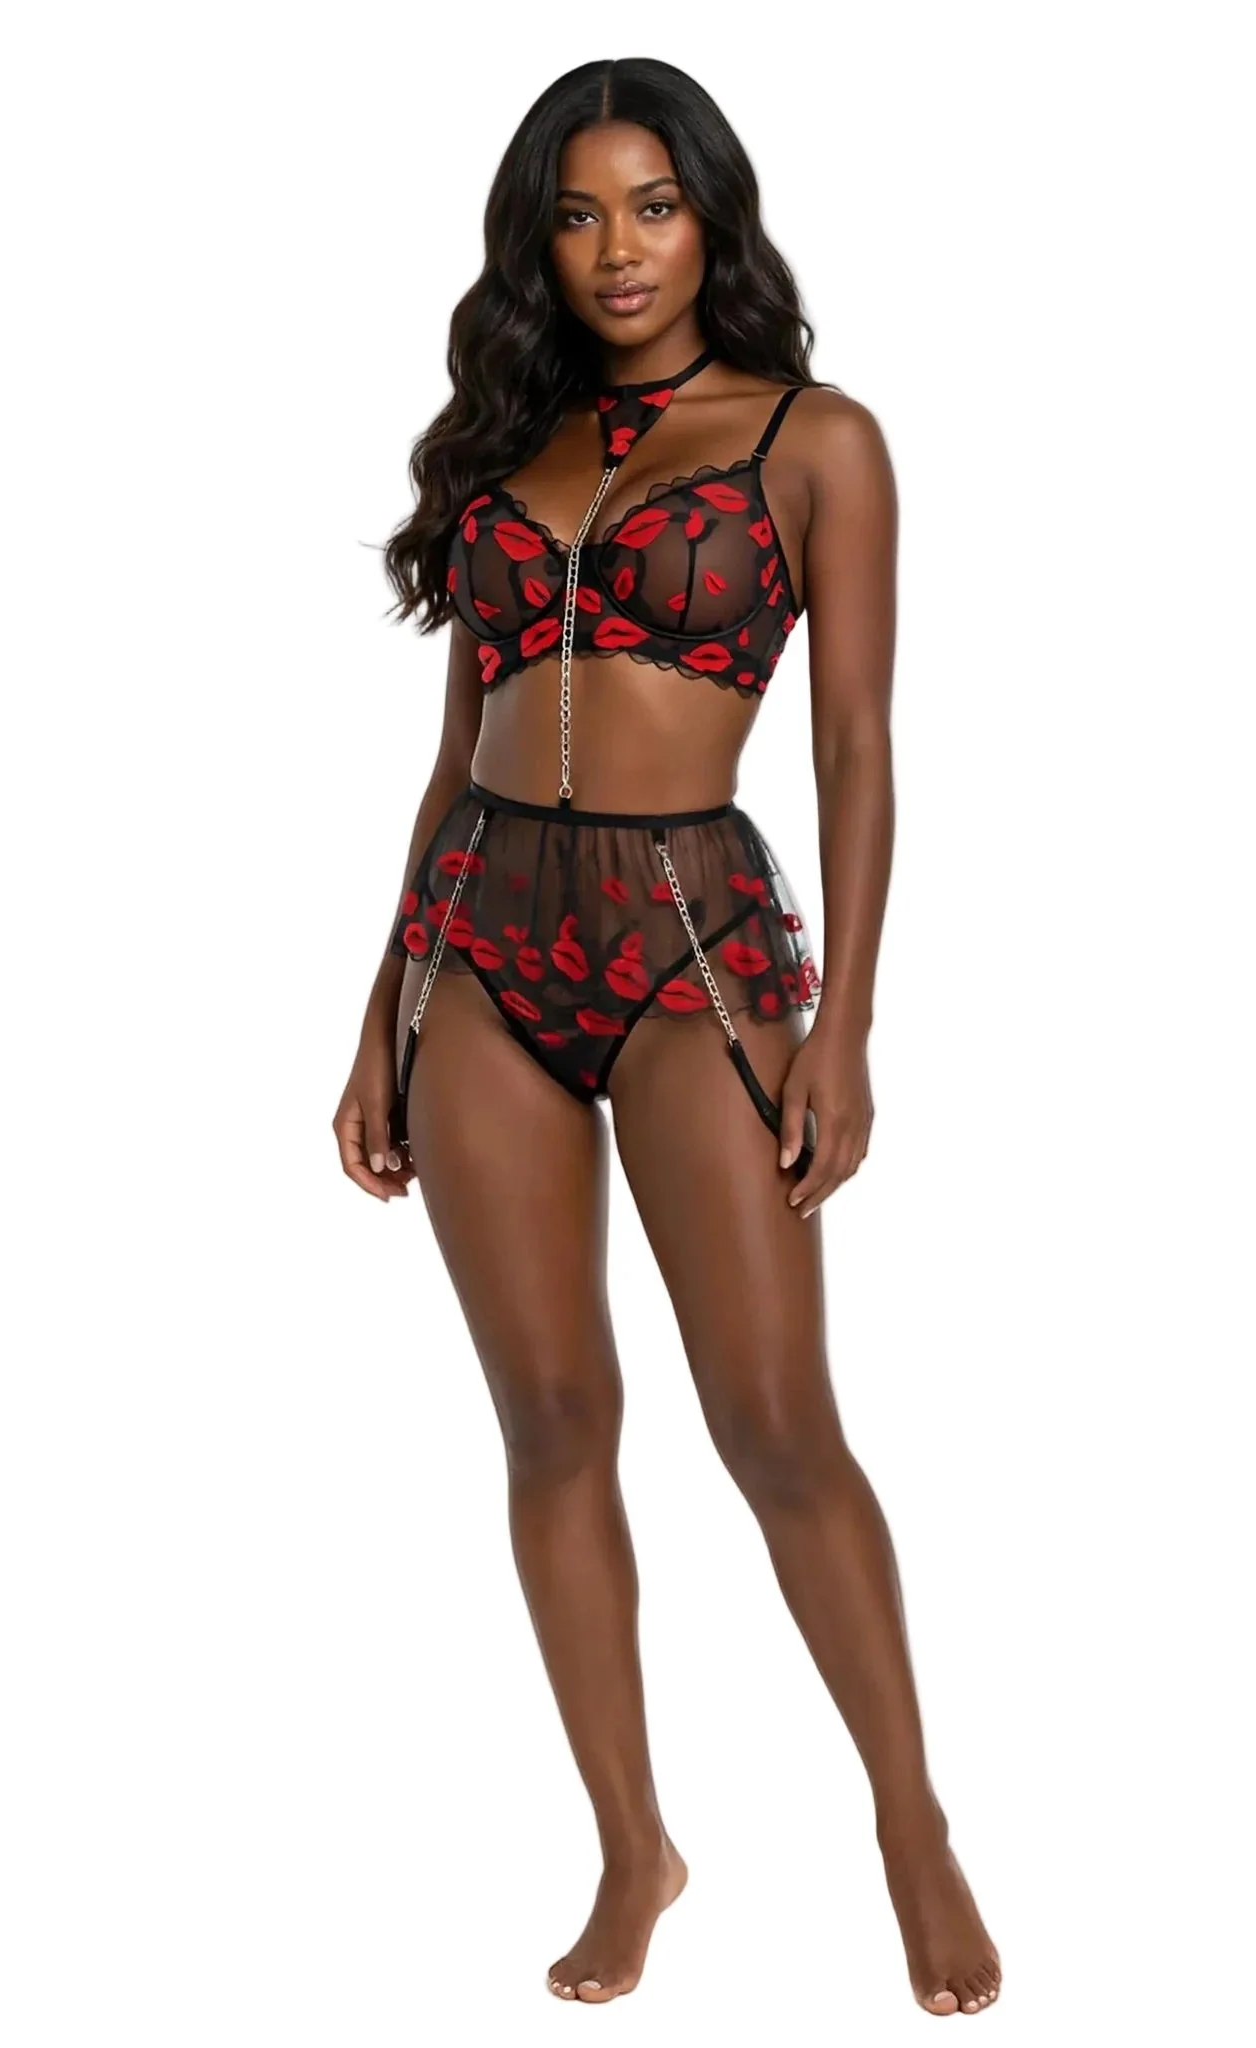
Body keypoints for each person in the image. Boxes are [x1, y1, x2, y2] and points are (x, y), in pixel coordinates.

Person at [334, 56, 1002, 2019]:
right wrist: (378, 1008)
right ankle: (633, 1844)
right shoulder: (506, 437)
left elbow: (857, 743)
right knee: (550, 1419)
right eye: (576, 214)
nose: (616, 249)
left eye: (651, 205)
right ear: (536, 242)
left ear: (712, 213)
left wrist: (845, 1028)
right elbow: (454, 745)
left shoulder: (814, 440)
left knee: (776, 1424)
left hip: (691, 942)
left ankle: (910, 1824)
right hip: (481, 941)